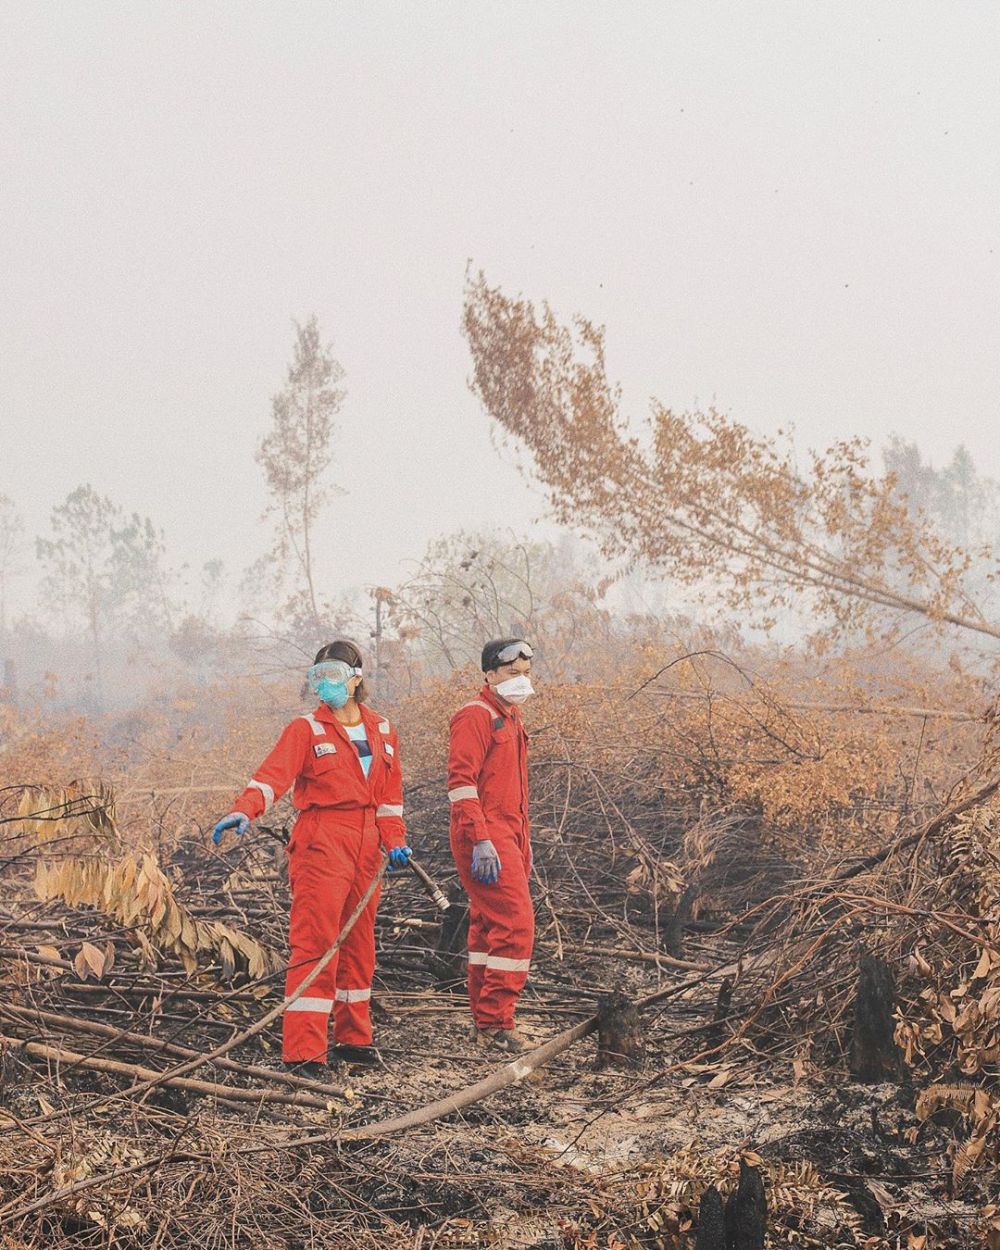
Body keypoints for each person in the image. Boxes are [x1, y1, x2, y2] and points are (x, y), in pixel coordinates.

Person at [212, 640, 411, 1075]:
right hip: (323, 840)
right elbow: (271, 777)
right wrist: (243, 810)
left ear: (356, 678)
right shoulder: (305, 729)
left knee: (359, 944)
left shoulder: (383, 730)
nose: (324, 684)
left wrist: (394, 839)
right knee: (315, 943)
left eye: (334, 675)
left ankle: (353, 1040)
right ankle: (304, 1051)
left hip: (367, 845)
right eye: (317, 676)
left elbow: (389, 799)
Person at [447, 637, 535, 1052]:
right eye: (512, 673)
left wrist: (519, 842)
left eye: (525, 673)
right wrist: (480, 838)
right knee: (516, 924)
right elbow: (461, 784)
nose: (521, 680)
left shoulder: (512, 717)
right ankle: (498, 1021)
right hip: (485, 832)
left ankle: (485, 1023)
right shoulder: (475, 716)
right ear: (490, 673)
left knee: (488, 925)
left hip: (511, 831)